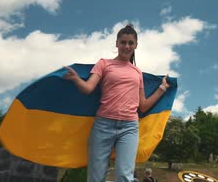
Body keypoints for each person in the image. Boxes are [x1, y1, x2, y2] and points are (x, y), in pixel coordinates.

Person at [64, 24, 169, 182]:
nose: (126, 46)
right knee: (96, 177)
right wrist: (76, 79)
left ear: (136, 45)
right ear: (117, 43)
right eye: (123, 42)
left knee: (124, 177)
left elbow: (144, 105)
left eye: (130, 43)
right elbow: (88, 88)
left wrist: (162, 88)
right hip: (103, 125)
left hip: (129, 128)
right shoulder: (104, 64)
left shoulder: (137, 72)